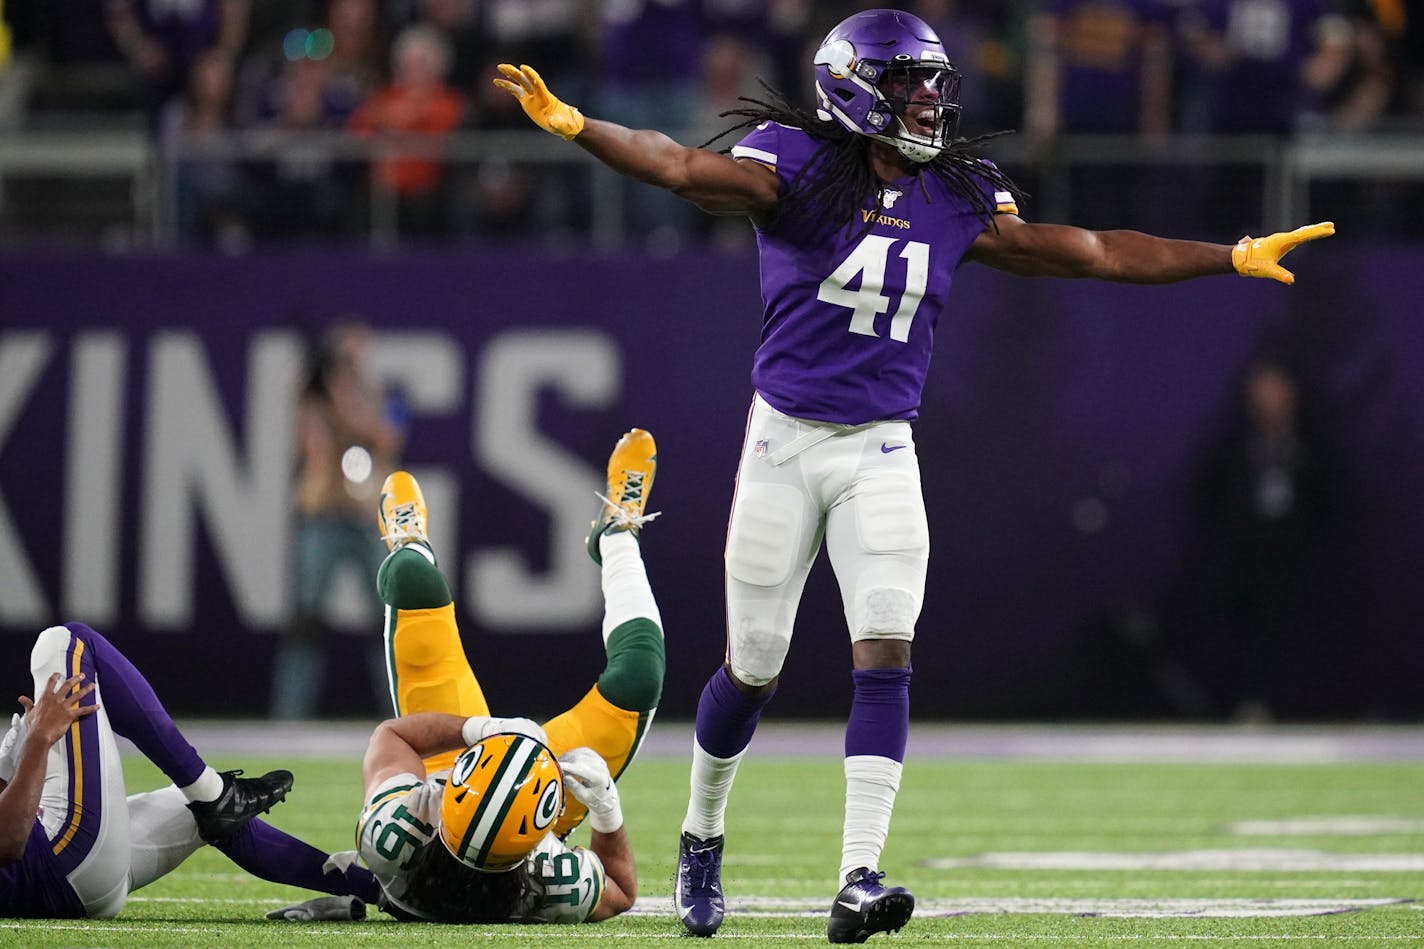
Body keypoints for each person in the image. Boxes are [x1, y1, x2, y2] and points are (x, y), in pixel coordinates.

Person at [492, 8, 1336, 943]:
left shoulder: (955, 192)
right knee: (754, 667)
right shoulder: (798, 164)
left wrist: (1230, 256)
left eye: (934, 81)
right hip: (783, 441)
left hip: (882, 446)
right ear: (855, 84)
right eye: (908, 81)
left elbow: (1093, 251)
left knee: (885, 649)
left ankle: (858, 873)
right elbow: (683, 167)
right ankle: (701, 832)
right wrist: (580, 127)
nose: (929, 99)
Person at [353, 427, 664, 923]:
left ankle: (408, 540)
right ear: (542, 835)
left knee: (413, 577)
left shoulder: (398, 833)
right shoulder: (550, 877)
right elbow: (622, 891)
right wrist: (605, 808)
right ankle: (619, 535)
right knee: (640, 676)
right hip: (538, 787)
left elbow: (390, 735)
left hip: (452, 764)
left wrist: (476, 732)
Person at [0, 621, 379, 919]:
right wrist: (38, 742)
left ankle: (384, 893)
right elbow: (9, 840)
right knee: (66, 643)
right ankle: (212, 791)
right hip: (59, 860)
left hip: (63, 874)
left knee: (199, 814)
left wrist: (10, 766)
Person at [272, 321, 406, 720]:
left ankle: (401, 712)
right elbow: (314, 449)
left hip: (367, 519)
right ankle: (289, 715)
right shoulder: (314, 402)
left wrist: (344, 399)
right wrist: (315, 394)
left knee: (386, 622)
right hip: (323, 518)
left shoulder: (384, 397)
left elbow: (387, 439)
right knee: (305, 620)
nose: (348, 365)